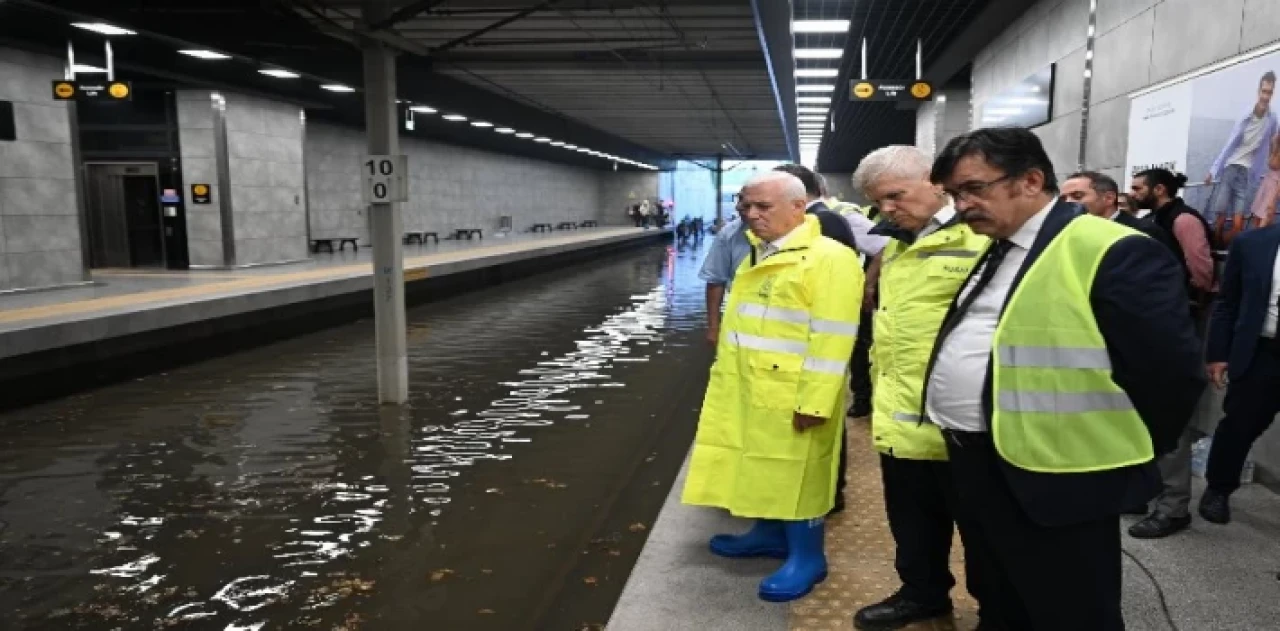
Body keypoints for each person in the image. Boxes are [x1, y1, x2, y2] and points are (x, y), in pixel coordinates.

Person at [926, 127, 1205, 630]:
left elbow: (1169, 373)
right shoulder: (1002, 245)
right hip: (979, 458)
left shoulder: (1112, 248)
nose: (962, 205)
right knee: (999, 591)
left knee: (1069, 606)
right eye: (954, 194)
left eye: (974, 189)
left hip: (1060, 473)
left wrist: (1129, 450)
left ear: (1031, 180)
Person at [682, 171, 863, 603]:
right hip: (751, 387)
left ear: (799, 207)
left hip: (794, 392)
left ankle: (808, 556)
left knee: (799, 473)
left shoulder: (829, 259)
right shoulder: (760, 253)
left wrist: (815, 401)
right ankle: (767, 532)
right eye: (746, 206)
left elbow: (834, 336)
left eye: (763, 206)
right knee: (760, 464)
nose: (751, 214)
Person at [847, 146, 989, 630]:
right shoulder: (897, 241)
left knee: (983, 529)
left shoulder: (980, 235)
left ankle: (996, 609)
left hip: (965, 419)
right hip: (902, 412)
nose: (886, 209)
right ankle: (922, 594)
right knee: (912, 519)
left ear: (934, 181)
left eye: (895, 196)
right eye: (877, 202)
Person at [773, 163, 868, 514]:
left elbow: (829, 302)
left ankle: (827, 497)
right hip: (802, 348)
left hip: (814, 348)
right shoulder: (823, 221)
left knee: (821, 425)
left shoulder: (824, 224)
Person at [1200, 222, 1280, 524]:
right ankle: (1218, 489)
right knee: (1240, 424)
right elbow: (1228, 303)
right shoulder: (1251, 243)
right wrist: (1218, 354)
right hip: (1261, 351)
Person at [1205, 71, 1277, 244]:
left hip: (1246, 173)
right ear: (1258, 91)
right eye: (1264, 91)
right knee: (1220, 218)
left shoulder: (1272, 119)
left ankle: (1229, 251)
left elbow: (1274, 142)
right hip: (1230, 168)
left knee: (1238, 225)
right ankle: (1216, 247)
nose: (1266, 96)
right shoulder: (1246, 115)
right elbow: (1229, 144)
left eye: (1269, 92)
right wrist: (1213, 170)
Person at [1061, 171, 1181, 264]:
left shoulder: (1143, 231)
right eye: (1063, 199)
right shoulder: (1067, 233)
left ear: (1109, 198)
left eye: (1077, 196)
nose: (1068, 202)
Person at [700, 207, 753, 347]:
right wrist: (713, 327)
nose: (740, 206)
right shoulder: (729, 233)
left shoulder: (799, 235)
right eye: (740, 199)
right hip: (741, 320)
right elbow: (715, 279)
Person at [1248, 129, 1280, 228]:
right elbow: (1270, 163)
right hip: (1267, 182)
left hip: (1274, 186)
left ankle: (1260, 236)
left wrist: (1273, 200)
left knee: (1265, 217)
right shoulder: (1274, 142)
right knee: (1257, 216)